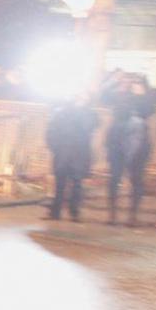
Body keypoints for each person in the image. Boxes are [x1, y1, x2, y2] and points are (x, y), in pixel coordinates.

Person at [101, 71, 155, 226]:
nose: (128, 83)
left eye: (132, 80)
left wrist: (141, 94)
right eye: (126, 80)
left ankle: (133, 215)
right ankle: (112, 214)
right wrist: (113, 81)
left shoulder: (144, 96)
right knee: (114, 177)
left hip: (139, 141)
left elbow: (149, 111)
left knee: (136, 178)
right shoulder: (117, 94)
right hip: (117, 140)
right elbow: (102, 96)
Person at [45, 91, 97, 221]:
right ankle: (56, 211)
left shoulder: (89, 113)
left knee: (77, 183)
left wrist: (81, 110)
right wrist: (55, 147)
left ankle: (74, 211)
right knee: (60, 182)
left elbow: (88, 127)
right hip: (64, 151)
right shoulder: (62, 112)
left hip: (78, 152)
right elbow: (51, 130)